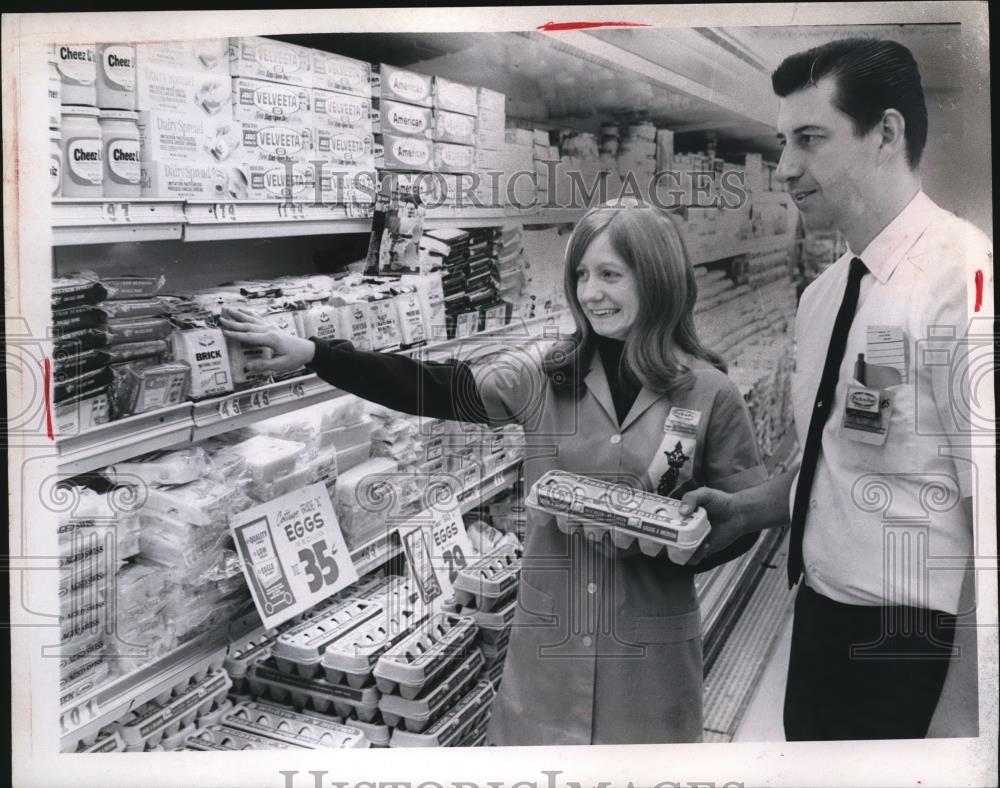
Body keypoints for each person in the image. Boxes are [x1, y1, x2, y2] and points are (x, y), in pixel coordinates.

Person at [221, 205, 767, 745]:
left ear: (658, 280)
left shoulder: (709, 392)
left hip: (647, 660)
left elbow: (741, 515)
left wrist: (679, 544)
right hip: (548, 656)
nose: (590, 292)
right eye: (581, 274)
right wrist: (316, 353)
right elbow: (437, 385)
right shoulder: (550, 375)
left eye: (610, 274)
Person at [680, 38, 991, 741]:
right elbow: (839, 455)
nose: (785, 168)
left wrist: (967, 712)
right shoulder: (824, 297)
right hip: (820, 629)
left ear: (886, 133)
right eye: (782, 141)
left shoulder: (962, 282)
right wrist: (750, 508)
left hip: (921, 653)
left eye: (810, 140)